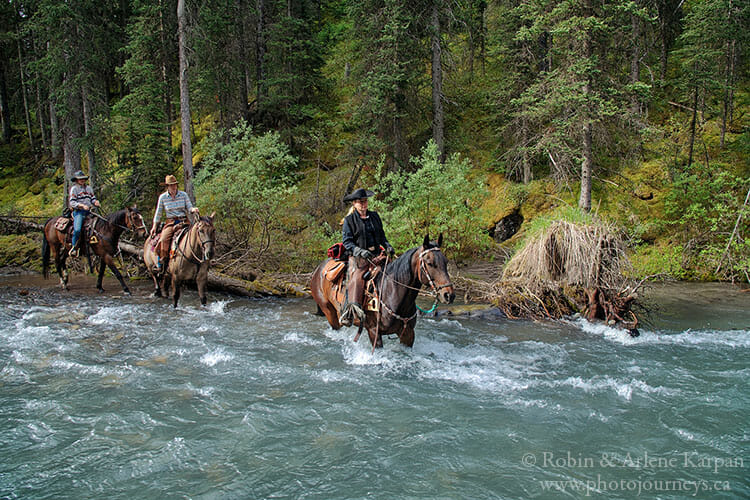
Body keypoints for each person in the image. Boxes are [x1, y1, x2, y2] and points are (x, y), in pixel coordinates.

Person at [339, 188, 394, 326]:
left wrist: (387, 245)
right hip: (358, 258)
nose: (363, 204)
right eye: (360, 202)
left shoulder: (375, 216)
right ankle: (350, 312)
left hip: (376, 256)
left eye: (365, 201)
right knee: (357, 279)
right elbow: (347, 242)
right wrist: (359, 251)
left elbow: (382, 236)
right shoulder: (349, 220)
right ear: (354, 204)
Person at [150, 175, 200, 271]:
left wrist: (193, 209)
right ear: (167, 186)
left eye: (175, 185)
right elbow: (158, 213)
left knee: (197, 235)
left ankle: (201, 259)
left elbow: (189, 207)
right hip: (171, 222)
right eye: (171, 185)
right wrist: (154, 226)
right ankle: (163, 261)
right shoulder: (163, 197)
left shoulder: (183, 195)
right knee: (164, 239)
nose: (173, 187)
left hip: (184, 221)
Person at [68, 170, 100, 257]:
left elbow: (92, 198)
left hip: (89, 212)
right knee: (77, 229)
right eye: (80, 179)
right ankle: (74, 247)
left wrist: (95, 202)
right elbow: (72, 202)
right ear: (77, 180)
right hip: (79, 212)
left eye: (83, 179)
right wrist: (82, 206)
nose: (82, 180)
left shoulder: (89, 188)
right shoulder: (74, 189)